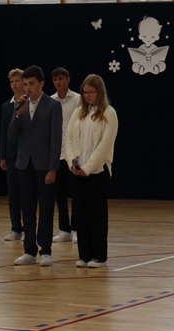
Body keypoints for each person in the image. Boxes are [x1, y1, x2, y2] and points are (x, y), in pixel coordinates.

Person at [7, 65, 63, 266]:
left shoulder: (53, 105)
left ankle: (45, 250)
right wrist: (18, 115)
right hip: (24, 164)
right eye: (25, 84)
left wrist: (52, 168)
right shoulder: (20, 105)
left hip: (44, 165)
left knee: (46, 209)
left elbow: (56, 139)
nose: (27, 88)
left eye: (31, 84)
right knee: (27, 209)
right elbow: (11, 135)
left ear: (41, 84)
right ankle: (29, 251)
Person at [63, 74, 117, 268]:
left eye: (91, 92)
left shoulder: (109, 113)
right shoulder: (78, 112)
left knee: (96, 215)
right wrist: (73, 163)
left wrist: (88, 168)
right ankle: (84, 255)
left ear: (99, 92)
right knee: (80, 213)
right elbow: (69, 139)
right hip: (78, 172)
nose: (87, 96)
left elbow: (104, 146)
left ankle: (99, 256)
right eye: (84, 92)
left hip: (98, 172)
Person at [50, 68, 81, 244]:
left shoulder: (77, 99)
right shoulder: (51, 101)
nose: (58, 82)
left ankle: (76, 228)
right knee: (59, 193)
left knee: (76, 192)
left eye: (61, 79)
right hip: (57, 153)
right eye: (55, 79)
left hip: (75, 154)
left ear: (68, 79)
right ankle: (64, 229)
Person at [0, 68, 25, 242]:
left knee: (26, 193)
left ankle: (28, 228)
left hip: (27, 153)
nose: (14, 84)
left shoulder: (30, 103)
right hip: (11, 154)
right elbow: (3, 132)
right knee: (13, 193)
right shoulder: (6, 106)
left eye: (17, 81)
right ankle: (16, 228)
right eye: (12, 82)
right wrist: (2, 155)